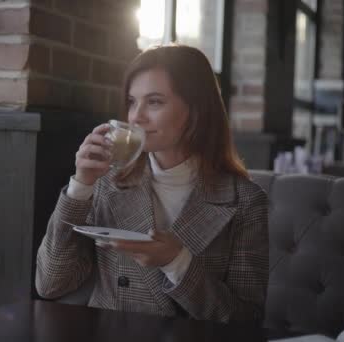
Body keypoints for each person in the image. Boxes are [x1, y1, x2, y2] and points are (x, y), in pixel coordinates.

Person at [35, 44, 269, 323]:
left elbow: (246, 322)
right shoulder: (108, 184)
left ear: (196, 110)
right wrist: (80, 185)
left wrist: (177, 262)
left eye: (154, 101)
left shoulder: (245, 201)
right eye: (132, 102)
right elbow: (49, 284)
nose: (136, 116)